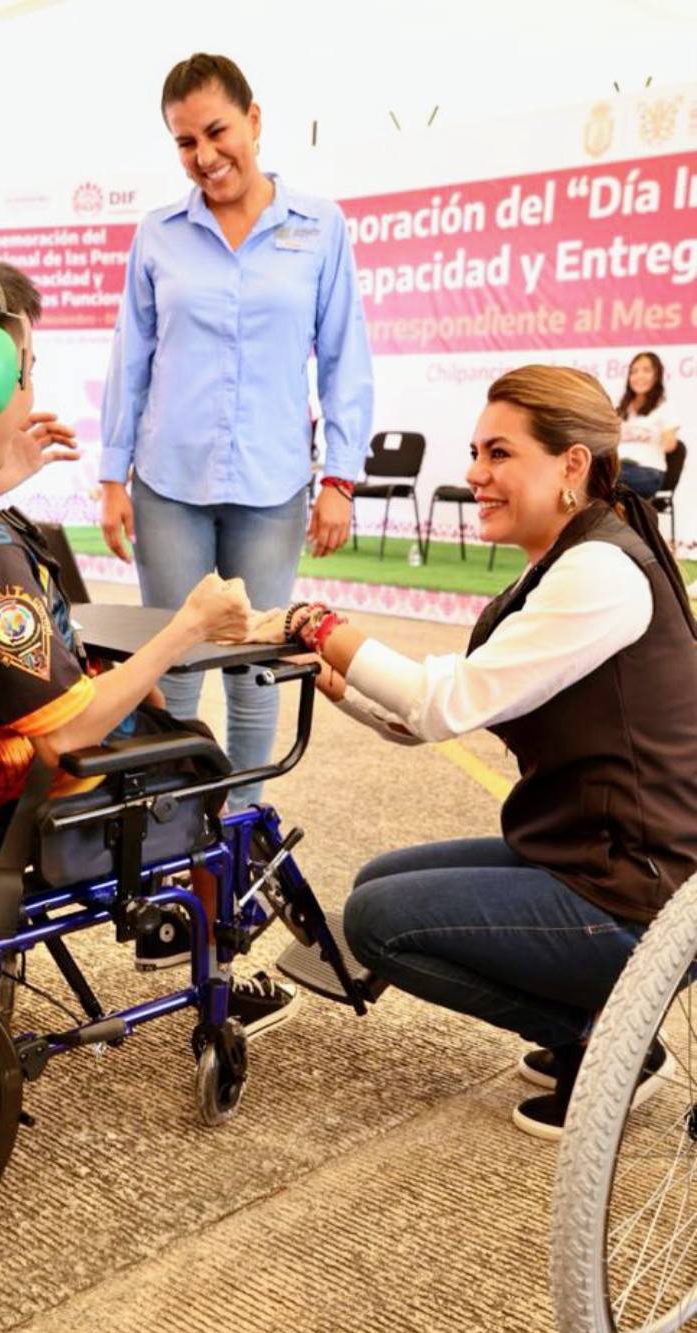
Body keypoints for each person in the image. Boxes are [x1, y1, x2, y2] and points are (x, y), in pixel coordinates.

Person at [248, 365, 697, 1137]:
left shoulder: (600, 573)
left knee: (377, 921)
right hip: (602, 853)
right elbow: (437, 711)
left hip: (644, 895)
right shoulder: (565, 559)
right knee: (378, 879)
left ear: (572, 464)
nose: (475, 473)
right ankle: (605, 1031)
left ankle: (608, 1044)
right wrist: (341, 682)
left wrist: (316, 622)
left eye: (499, 453)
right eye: (474, 452)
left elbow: (442, 701)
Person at [0, 253, 298, 1035]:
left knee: (148, 699)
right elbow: (65, 734)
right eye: (26, 367)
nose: (28, 388)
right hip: (10, 801)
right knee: (199, 751)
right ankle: (210, 955)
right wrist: (189, 625)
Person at [99, 52, 374, 816]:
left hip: (272, 485)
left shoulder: (319, 227)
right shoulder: (158, 236)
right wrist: (113, 476)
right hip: (168, 483)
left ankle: (241, 825)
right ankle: (173, 824)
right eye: (185, 142)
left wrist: (340, 477)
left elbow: (344, 357)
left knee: (253, 665)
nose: (205, 155)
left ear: (253, 121)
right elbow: (131, 357)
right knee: (173, 661)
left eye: (217, 131)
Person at [616, 351, 679, 499]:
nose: (639, 376)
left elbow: (670, 445)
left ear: (657, 375)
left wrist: (668, 436)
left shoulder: (664, 407)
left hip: (647, 471)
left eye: (646, 370)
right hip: (619, 467)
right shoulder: (621, 408)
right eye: (634, 371)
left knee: (607, 481)